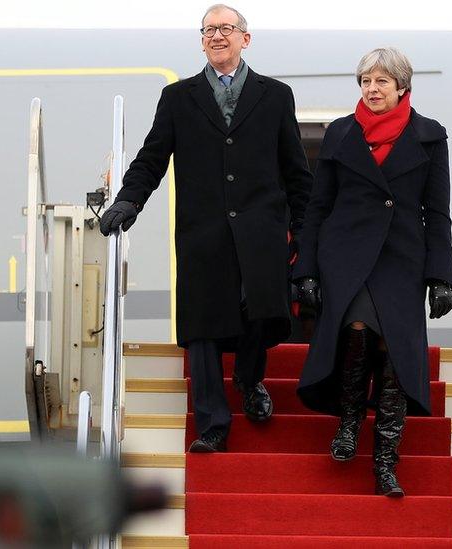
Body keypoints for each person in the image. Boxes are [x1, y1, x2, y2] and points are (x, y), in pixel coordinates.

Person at [99, 4, 313, 453]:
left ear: (245, 38)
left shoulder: (275, 96)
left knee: (259, 312)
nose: (217, 36)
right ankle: (213, 423)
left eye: (226, 29)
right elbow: (152, 157)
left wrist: (307, 234)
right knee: (203, 327)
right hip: (203, 232)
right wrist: (128, 200)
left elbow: (296, 171)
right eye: (208, 30)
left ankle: (251, 380)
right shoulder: (178, 97)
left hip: (261, 230)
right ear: (201, 41)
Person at [293, 47, 452, 497]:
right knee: (359, 331)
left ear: (402, 86)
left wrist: (441, 276)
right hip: (345, 255)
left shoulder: (429, 135)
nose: (372, 88)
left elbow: (436, 212)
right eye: (366, 81)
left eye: (382, 81)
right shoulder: (341, 133)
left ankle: (386, 461)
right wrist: (304, 267)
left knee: (394, 358)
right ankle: (348, 423)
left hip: (402, 259)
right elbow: (318, 206)